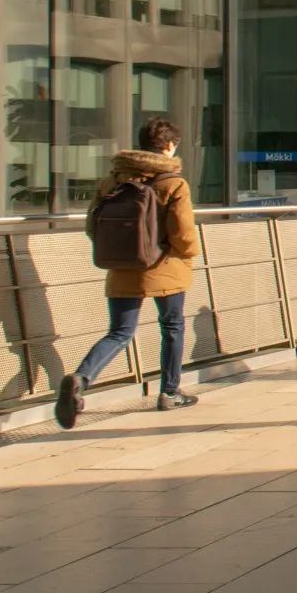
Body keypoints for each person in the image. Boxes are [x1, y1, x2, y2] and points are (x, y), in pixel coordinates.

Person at [54, 117, 201, 428]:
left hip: (121, 266)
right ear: (170, 146)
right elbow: (183, 234)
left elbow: (92, 225)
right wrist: (187, 254)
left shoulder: (113, 181)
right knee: (172, 326)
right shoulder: (173, 183)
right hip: (165, 266)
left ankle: (81, 379)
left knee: (120, 332)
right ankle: (170, 392)